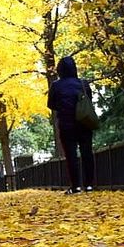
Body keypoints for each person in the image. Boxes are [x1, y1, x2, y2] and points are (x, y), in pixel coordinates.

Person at [47, 55, 95, 193]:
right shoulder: (83, 83)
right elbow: (89, 99)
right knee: (87, 152)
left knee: (71, 155)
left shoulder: (56, 85)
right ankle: (89, 184)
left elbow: (50, 104)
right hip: (84, 122)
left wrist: (63, 107)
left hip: (66, 124)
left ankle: (75, 186)